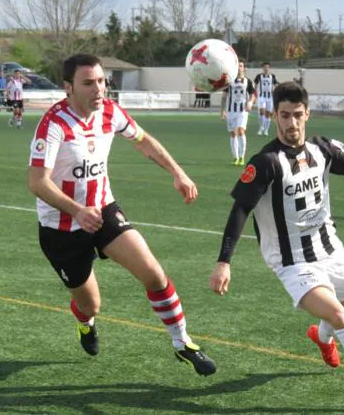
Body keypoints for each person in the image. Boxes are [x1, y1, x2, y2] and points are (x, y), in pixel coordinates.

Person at [209, 81, 344, 411]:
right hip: (290, 259)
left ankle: (321, 339)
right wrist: (224, 261)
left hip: (328, 246)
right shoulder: (265, 162)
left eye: (297, 115)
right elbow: (240, 208)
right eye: (284, 116)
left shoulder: (323, 148)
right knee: (339, 315)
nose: (291, 123)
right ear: (274, 116)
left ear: (307, 114)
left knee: (343, 311)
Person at [27, 54, 216, 376]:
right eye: (88, 83)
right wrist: (76, 210)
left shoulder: (110, 113)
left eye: (101, 81)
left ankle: (183, 344)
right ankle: (85, 323)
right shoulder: (53, 124)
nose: (98, 89)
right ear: (68, 87)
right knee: (91, 305)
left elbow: (144, 142)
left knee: (153, 273)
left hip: (103, 211)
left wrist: (178, 173)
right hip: (61, 227)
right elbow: (37, 181)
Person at [220, 60, 255, 166]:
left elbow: (253, 94)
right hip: (231, 111)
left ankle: (242, 157)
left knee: (240, 131)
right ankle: (235, 157)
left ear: (243, 68)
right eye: (238, 66)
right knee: (233, 133)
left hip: (242, 110)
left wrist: (250, 102)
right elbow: (224, 96)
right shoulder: (229, 81)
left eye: (241, 66)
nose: (239, 67)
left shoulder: (248, 81)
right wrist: (222, 110)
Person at [253, 62, 278, 136]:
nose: (266, 69)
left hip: (270, 98)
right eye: (264, 67)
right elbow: (255, 86)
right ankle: (261, 128)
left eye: (267, 67)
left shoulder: (272, 76)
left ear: (269, 68)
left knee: (268, 114)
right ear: (262, 68)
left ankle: (266, 130)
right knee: (261, 112)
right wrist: (254, 96)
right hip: (261, 97)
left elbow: (275, 85)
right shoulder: (259, 76)